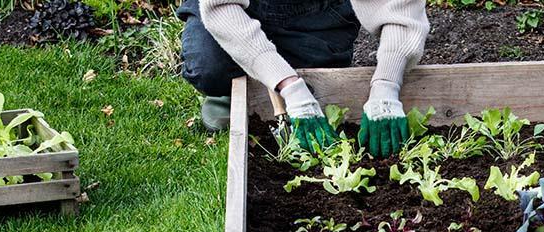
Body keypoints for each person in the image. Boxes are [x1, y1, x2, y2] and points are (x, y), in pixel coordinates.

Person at [177, 0, 429, 157]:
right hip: (236, 6)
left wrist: (387, 84)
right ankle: (231, 93)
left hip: (318, 12)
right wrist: (290, 86)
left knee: (320, 81)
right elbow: (221, 8)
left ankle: (267, 74)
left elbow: (401, 9)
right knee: (208, 65)